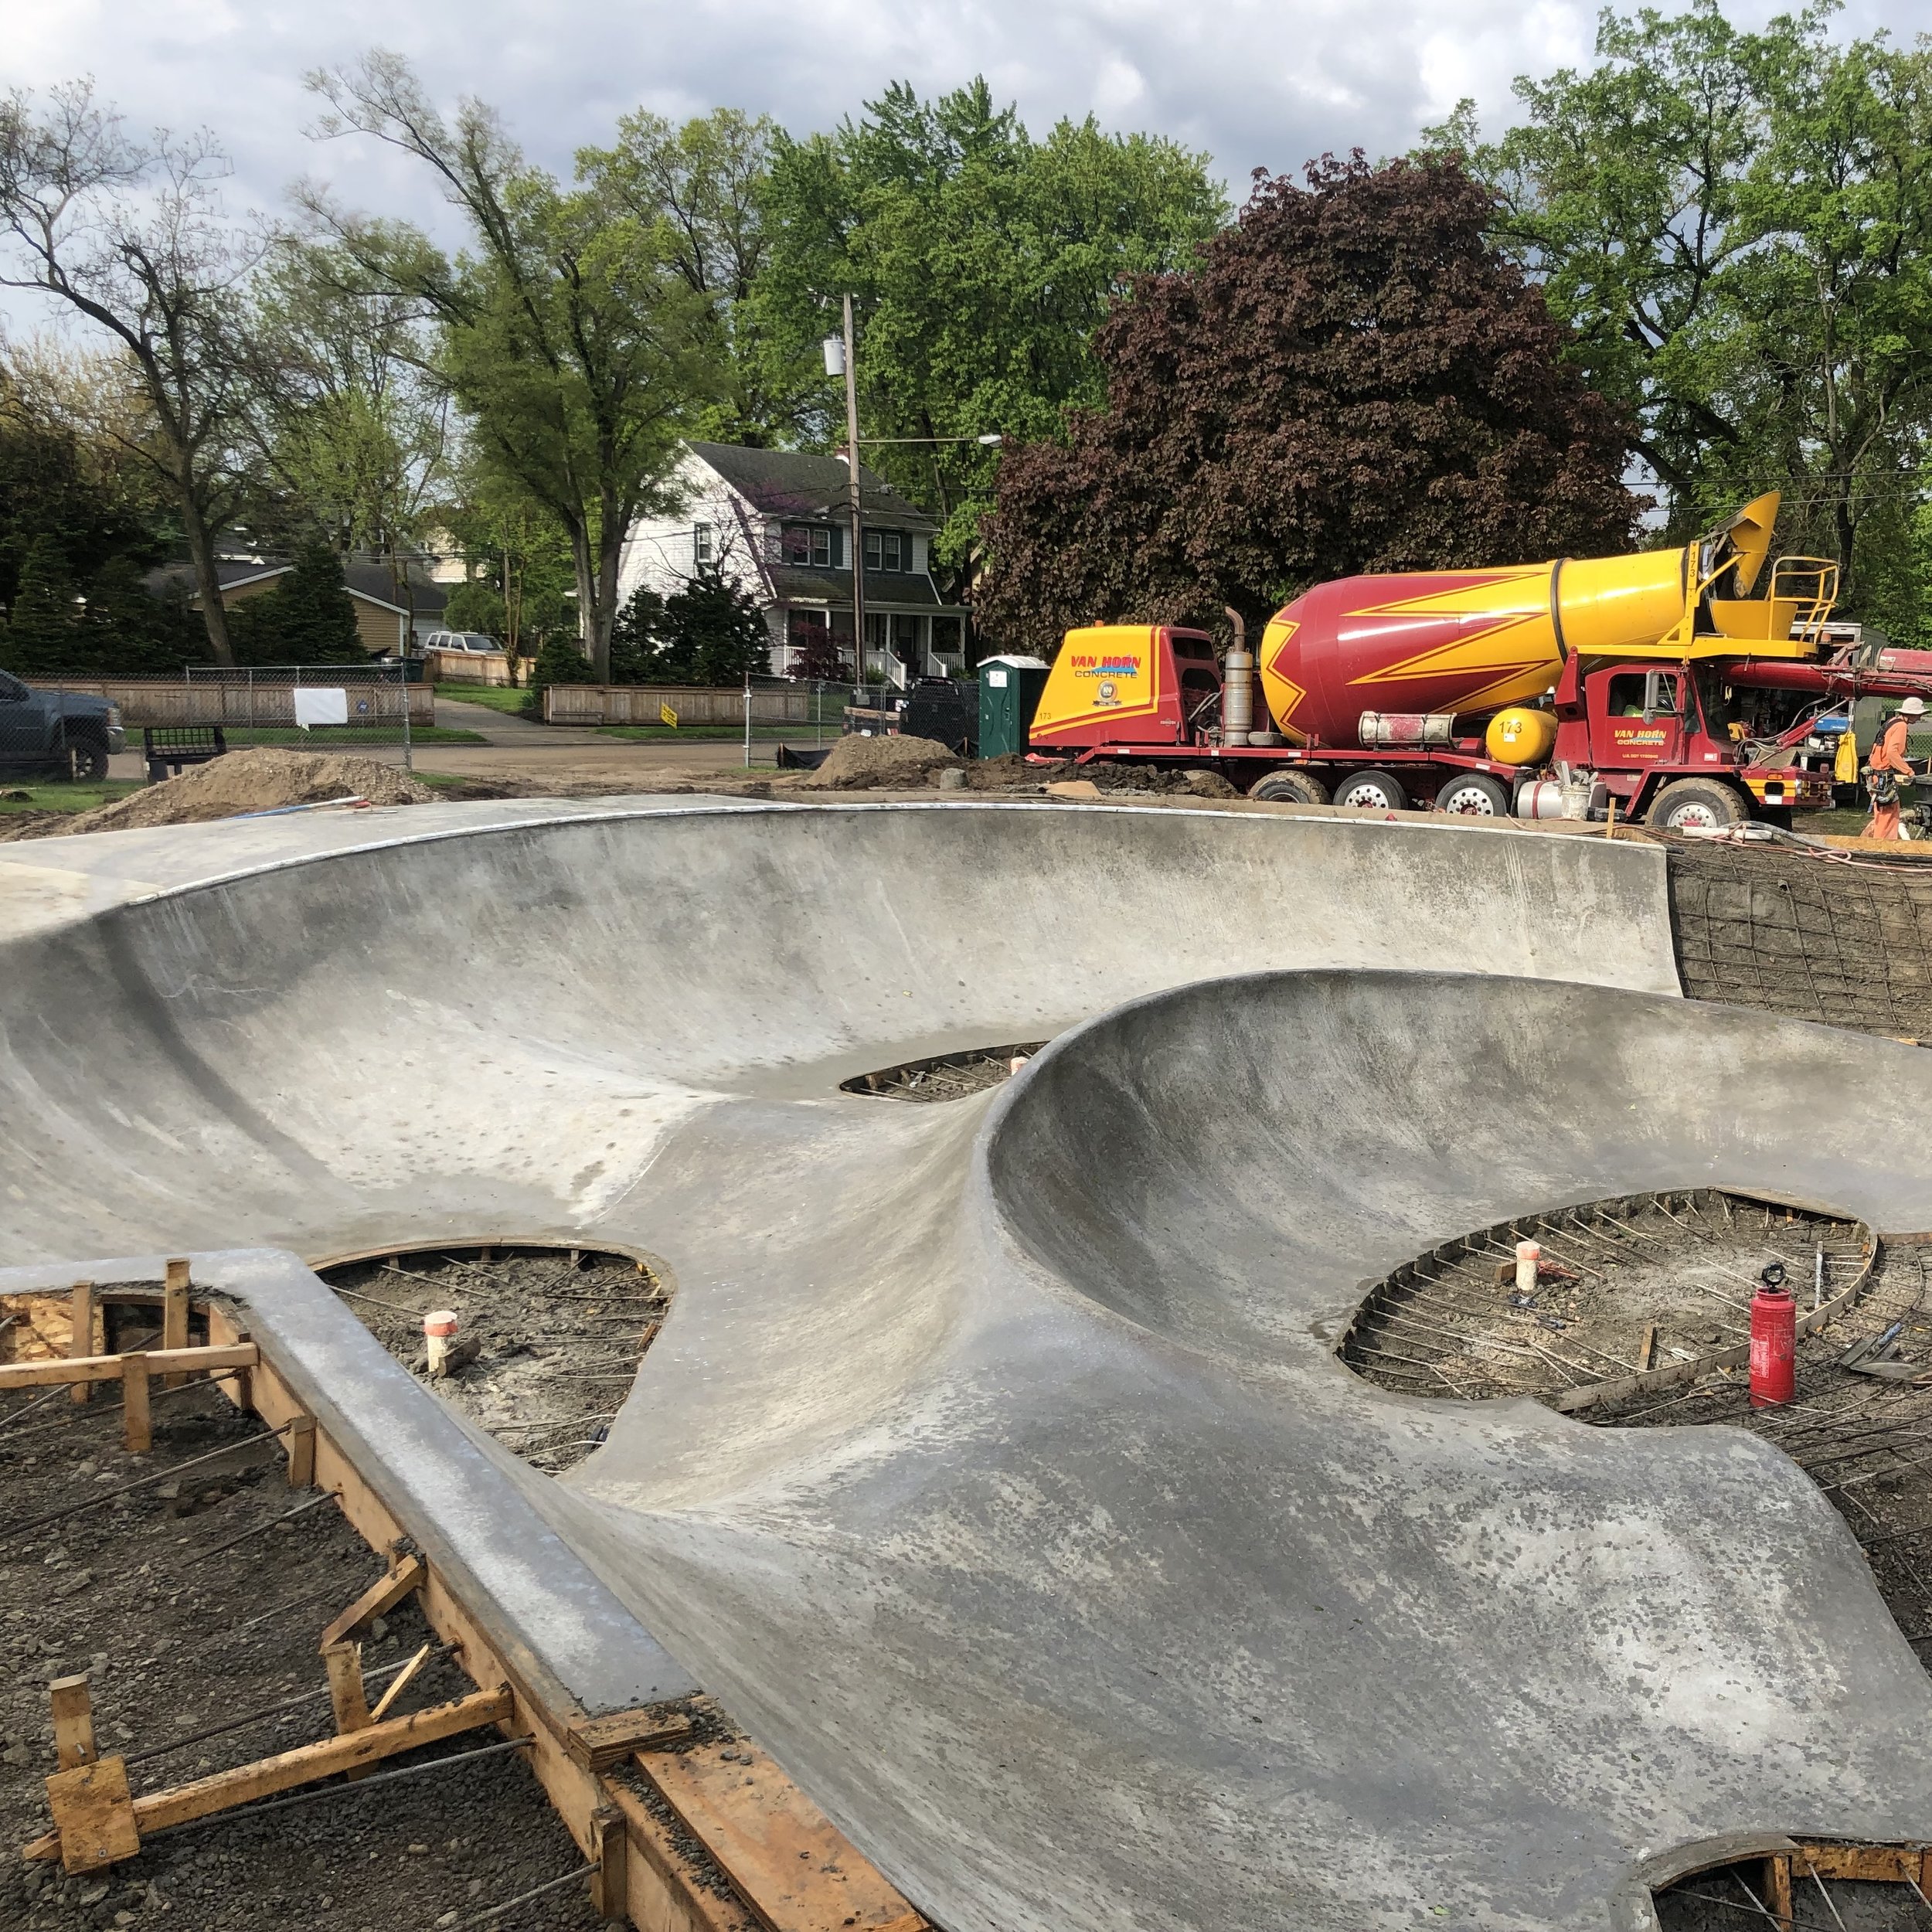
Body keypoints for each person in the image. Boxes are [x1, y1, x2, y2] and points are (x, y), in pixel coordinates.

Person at [1863, 695, 1924, 839]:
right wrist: (1909, 772)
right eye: (1919, 715)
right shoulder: (1901, 726)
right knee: (1889, 816)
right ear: (1912, 714)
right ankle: (1884, 848)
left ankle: (1879, 844)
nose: (1920, 718)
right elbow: (1892, 753)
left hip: (1875, 775)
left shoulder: (1892, 722)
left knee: (1883, 815)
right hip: (1883, 777)